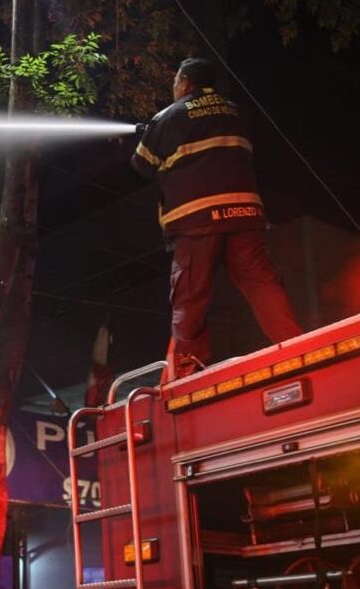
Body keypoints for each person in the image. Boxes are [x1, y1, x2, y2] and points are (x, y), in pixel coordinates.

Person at [132, 57, 302, 378]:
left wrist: (148, 134)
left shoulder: (167, 117)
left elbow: (141, 165)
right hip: (243, 216)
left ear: (183, 82)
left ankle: (185, 371)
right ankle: (296, 345)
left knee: (189, 298)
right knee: (264, 286)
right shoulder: (235, 111)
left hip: (195, 222)